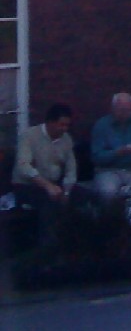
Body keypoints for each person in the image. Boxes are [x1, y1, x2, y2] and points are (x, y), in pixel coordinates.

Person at [12, 103, 78, 242]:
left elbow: (71, 168)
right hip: (27, 186)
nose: (64, 129)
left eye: (67, 125)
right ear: (50, 122)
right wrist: (47, 186)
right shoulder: (29, 136)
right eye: (61, 125)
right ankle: (48, 249)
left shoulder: (66, 139)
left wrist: (66, 190)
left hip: (57, 185)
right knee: (49, 205)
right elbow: (23, 166)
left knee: (85, 198)